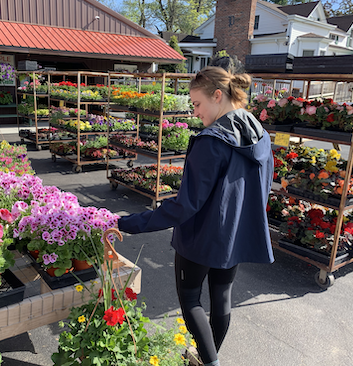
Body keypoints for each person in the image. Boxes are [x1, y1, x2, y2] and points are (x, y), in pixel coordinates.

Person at [117, 66, 274, 366]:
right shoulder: (261, 136)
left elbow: (184, 206)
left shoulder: (211, 142)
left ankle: (209, 362)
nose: (195, 112)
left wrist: (128, 223)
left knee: (190, 299)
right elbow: (262, 189)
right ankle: (207, 358)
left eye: (198, 104)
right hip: (234, 238)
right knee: (221, 297)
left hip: (201, 238)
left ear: (218, 95)